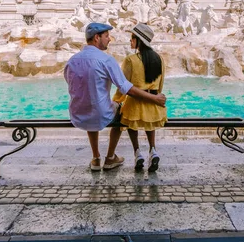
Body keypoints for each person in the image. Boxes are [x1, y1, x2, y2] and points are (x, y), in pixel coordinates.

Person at [64, 22, 166, 171]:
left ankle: (96, 158)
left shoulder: (72, 60)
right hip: (102, 114)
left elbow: (70, 83)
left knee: (95, 104)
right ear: (97, 38)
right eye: (107, 36)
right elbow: (125, 87)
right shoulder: (106, 60)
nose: (110, 39)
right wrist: (154, 98)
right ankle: (111, 157)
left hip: (78, 114)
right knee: (120, 111)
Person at [112, 23, 167, 172]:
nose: (130, 41)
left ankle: (137, 153)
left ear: (139, 40)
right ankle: (153, 150)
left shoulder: (130, 60)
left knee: (130, 123)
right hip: (154, 104)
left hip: (134, 105)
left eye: (132, 38)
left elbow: (123, 85)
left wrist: (116, 100)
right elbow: (161, 84)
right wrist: (154, 97)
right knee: (149, 123)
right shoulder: (159, 59)